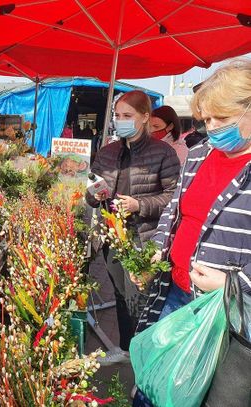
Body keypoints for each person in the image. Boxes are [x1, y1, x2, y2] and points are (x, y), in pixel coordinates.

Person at [134, 59, 251, 406]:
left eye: (223, 120)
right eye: (207, 120)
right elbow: (175, 210)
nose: (213, 128)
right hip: (178, 293)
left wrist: (230, 284)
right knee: (159, 385)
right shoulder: (200, 153)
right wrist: (157, 250)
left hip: (225, 315)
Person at [86, 90, 181, 364]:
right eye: (117, 116)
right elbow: (91, 192)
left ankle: (147, 358)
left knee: (143, 298)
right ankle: (128, 350)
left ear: (145, 118)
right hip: (113, 236)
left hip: (145, 237)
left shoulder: (162, 153)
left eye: (128, 116)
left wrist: (140, 205)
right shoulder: (107, 152)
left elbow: (174, 197)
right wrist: (95, 194)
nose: (120, 121)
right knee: (120, 294)